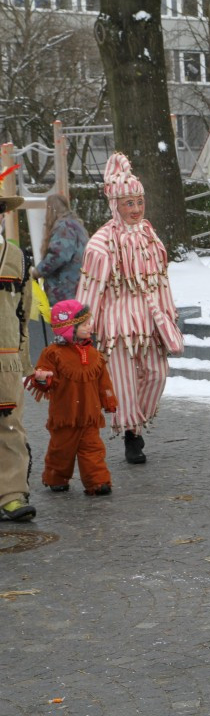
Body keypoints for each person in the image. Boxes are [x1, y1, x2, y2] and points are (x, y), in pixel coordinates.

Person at [76, 152, 183, 465]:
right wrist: (83, 324)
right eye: (128, 203)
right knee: (122, 380)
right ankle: (131, 435)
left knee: (156, 374)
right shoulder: (101, 243)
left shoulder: (151, 237)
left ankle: (138, 420)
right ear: (115, 205)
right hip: (117, 325)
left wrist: (168, 314)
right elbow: (90, 286)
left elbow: (161, 280)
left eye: (139, 202)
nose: (136, 210)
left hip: (150, 320)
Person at [25, 299, 117, 496]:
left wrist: (108, 399)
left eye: (89, 322)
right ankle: (56, 478)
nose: (90, 326)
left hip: (90, 416)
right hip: (65, 416)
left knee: (93, 450)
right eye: (84, 324)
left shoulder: (94, 354)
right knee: (61, 451)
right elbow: (44, 381)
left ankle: (98, 482)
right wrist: (42, 379)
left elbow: (103, 382)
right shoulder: (52, 354)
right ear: (69, 329)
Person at [0, 171, 35, 522]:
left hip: (5, 362)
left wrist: (23, 362)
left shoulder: (17, 259)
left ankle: (11, 494)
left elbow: (23, 313)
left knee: (10, 428)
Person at [32, 194, 89, 305]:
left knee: (65, 321)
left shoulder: (64, 226)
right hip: (78, 286)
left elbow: (58, 255)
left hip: (65, 289)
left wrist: (37, 271)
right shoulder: (76, 225)